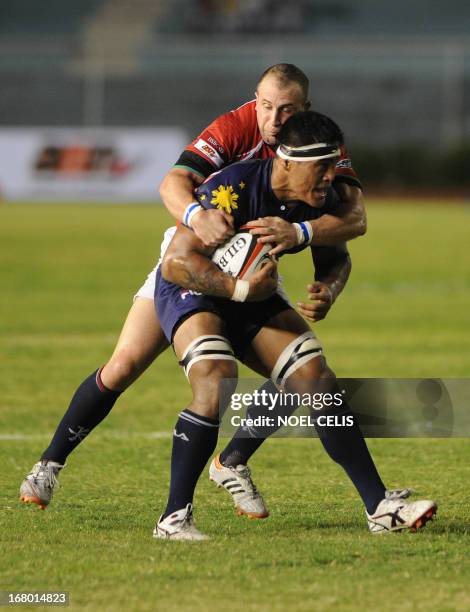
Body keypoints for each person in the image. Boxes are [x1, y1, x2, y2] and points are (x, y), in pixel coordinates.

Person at [19, 64, 366, 510]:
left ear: (305, 110)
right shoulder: (236, 127)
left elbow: (354, 218)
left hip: (252, 265)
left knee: (300, 370)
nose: (275, 119)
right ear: (254, 101)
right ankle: (49, 464)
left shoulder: (314, 144)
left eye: (287, 110)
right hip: (195, 259)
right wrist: (196, 216)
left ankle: (233, 459)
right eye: (266, 106)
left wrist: (306, 247)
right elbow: (173, 183)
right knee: (124, 365)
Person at [153, 111, 436, 540]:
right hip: (195, 288)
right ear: (285, 162)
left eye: (332, 165)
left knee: (315, 378)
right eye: (320, 167)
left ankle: (378, 507)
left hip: (251, 289)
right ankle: (173, 519)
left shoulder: (316, 202)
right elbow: (176, 264)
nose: (328, 177)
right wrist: (241, 290)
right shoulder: (233, 188)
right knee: (215, 379)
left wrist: (329, 287)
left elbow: (337, 256)